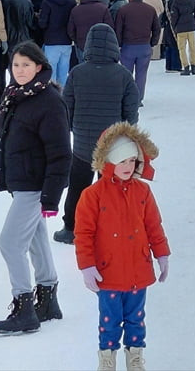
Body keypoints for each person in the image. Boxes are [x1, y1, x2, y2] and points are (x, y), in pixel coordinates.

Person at [75, 122, 170, 371]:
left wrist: (161, 254)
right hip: (108, 273)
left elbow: (153, 225)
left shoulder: (143, 192)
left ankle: (135, 358)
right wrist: (87, 265)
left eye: (131, 161)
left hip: (138, 269)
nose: (127, 167)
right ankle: (107, 360)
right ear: (108, 162)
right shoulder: (92, 195)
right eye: (121, 161)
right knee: (110, 321)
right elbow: (83, 233)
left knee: (136, 320)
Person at [0, 41, 72, 335]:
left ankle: (24, 306)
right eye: (16, 65)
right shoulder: (17, 95)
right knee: (36, 237)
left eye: (26, 65)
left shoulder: (49, 101)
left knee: (10, 242)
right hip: (23, 181)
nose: (20, 70)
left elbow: (61, 153)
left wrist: (51, 197)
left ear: (39, 67)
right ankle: (48, 300)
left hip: (35, 185)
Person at [57, 24, 139, 246]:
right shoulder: (123, 75)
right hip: (112, 146)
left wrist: (75, 128)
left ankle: (71, 228)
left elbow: (67, 107)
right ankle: (109, 228)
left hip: (83, 145)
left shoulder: (77, 73)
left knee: (78, 187)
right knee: (111, 188)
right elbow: (131, 111)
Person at [113, 0, 160, 104]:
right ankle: (138, 98)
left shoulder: (123, 10)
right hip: (144, 45)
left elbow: (118, 29)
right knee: (141, 74)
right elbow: (156, 28)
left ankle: (128, 98)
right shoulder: (150, 10)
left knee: (127, 74)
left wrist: (118, 44)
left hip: (128, 46)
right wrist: (153, 42)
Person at [38, 0, 76, 87]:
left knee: (51, 71)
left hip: (51, 41)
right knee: (64, 71)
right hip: (67, 41)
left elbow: (43, 23)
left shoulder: (47, 2)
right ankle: (63, 95)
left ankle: (52, 95)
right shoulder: (71, 2)